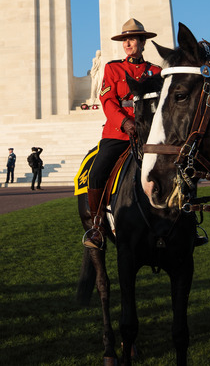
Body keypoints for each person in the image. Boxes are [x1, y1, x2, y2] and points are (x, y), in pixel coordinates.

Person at [83, 18, 162, 249]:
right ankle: (97, 226)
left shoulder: (155, 71)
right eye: (125, 40)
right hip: (119, 134)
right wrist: (125, 121)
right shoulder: (112, 68)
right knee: (97, 172)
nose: (128, 43)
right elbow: (107, 100)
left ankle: (188, 224)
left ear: (143, 42)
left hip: (148, 134)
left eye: (133, 39)